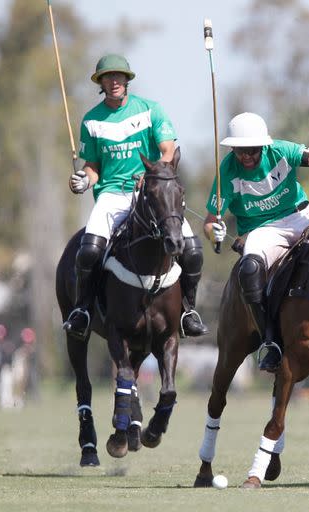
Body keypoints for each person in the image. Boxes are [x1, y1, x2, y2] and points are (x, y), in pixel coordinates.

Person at [63, 54, 208, 340]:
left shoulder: (150, 111)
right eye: (107, 77)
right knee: (89, 251)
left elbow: (168, 151)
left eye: (118, 76)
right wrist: (83, 178)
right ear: (100, 83)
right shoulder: (91, 120)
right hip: (112, 195)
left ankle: (188, 311)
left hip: (152, 194)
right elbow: (93, 166)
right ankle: (82, 311)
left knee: (192, 251)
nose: (113, 81)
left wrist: (151, 175)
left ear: (127, 80)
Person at [203, 112, 309, 372]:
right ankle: (271, 340)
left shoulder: (281, 151)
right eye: (240, 151)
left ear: (263, 145)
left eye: (252, 150)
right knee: (250, 269)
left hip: (300, 214)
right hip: (262, 230)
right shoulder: (228, 171)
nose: (247, 157)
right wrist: (213, 232)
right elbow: (210, 219)